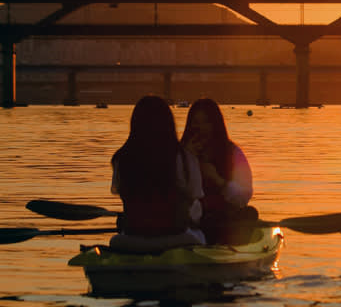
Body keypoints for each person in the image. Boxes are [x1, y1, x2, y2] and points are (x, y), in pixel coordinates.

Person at [110, 95, 206, 250]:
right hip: (177, 238)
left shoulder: (121, 158)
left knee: (115, 240)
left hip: (132, 239)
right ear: (168, 124)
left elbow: (120, 192)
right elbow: (194, 196)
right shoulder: (184, 158)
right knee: (200, 233)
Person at [181, 98, 257, 244]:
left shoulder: (233, 153)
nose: (201, 128)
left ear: (216, 125)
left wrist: (218, 180)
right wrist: (188, 160)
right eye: (196, 122)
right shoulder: (180, 154)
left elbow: (244, 196)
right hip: (190, 220)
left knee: (250, 213)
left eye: (206, 122)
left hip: (223, 218)